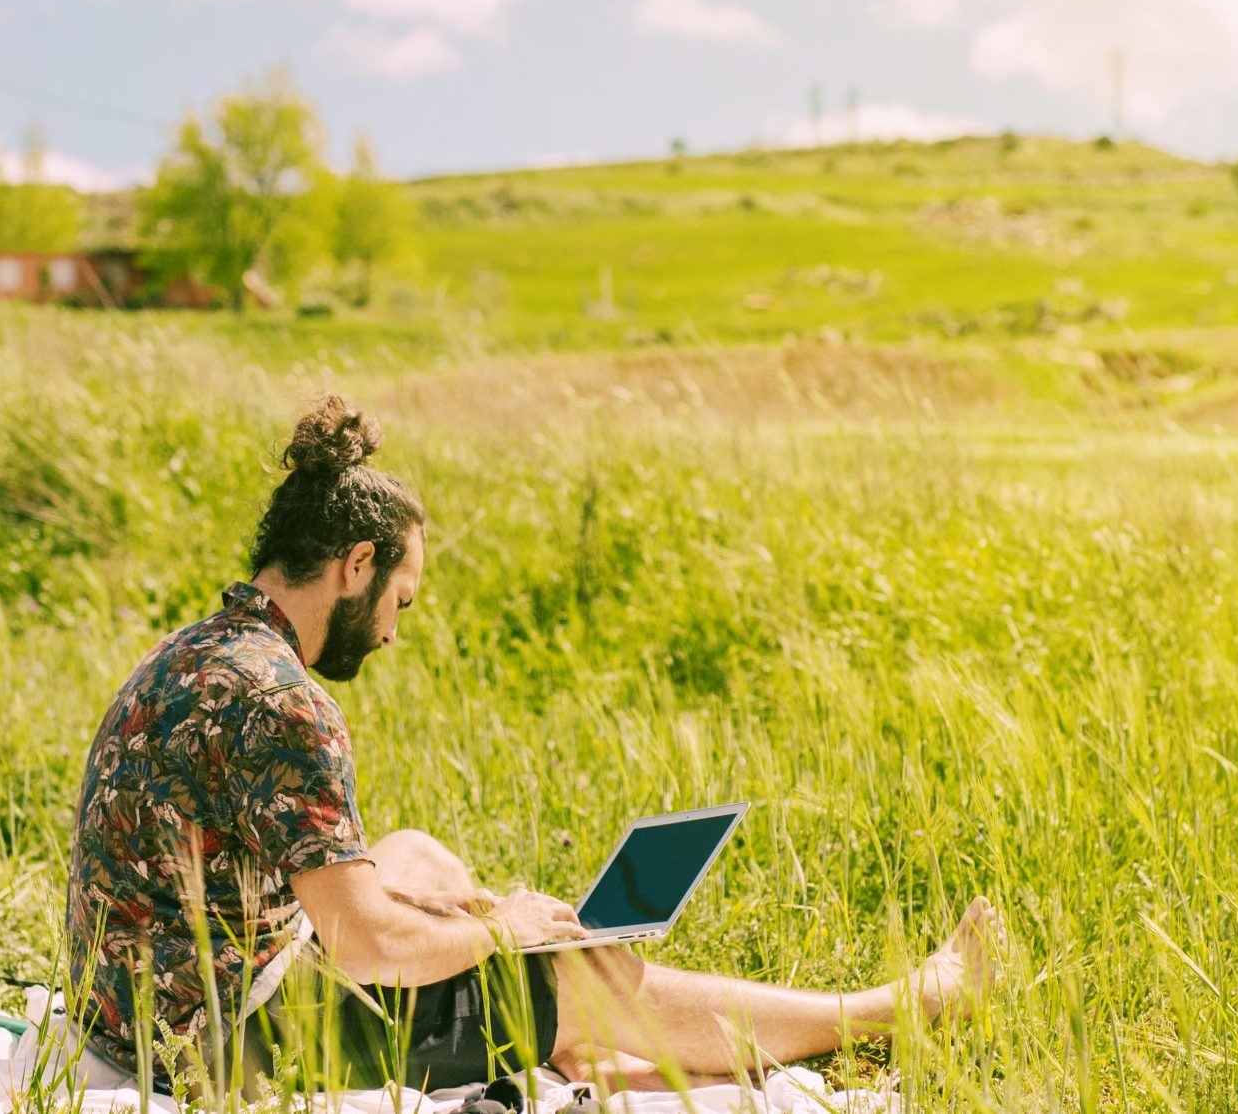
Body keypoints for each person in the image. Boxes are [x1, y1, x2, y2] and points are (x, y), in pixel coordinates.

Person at [63, 396, 1005, 1097]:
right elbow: (367, 941)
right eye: (399, 600)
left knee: (419, 856)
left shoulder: (199, 647)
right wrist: (497, 933)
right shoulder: (285, 701)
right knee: (575, 968)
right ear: (356, 567)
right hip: (217, 1050)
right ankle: (895, 1007)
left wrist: (461, 908)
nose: (391, 631)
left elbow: (325, 891)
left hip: (152, 1007)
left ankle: (544, 1027)